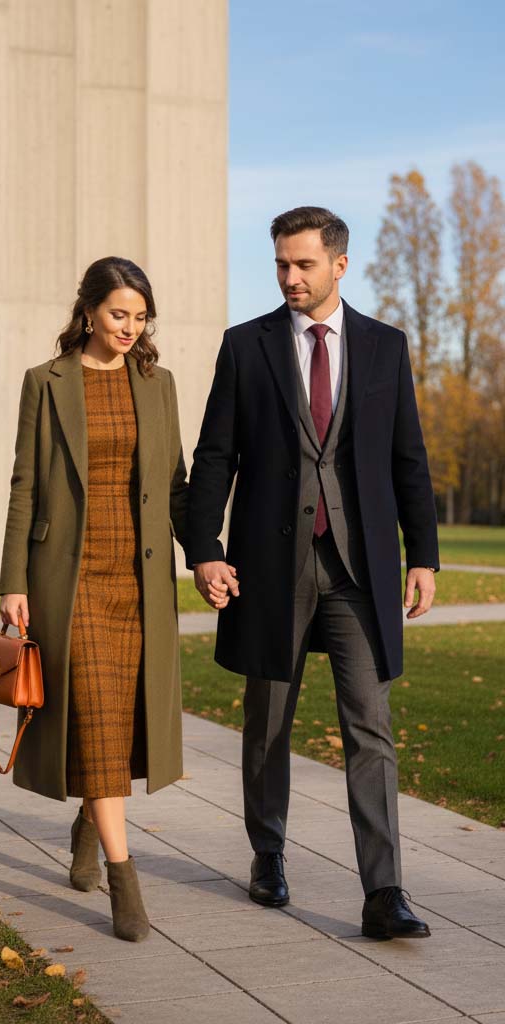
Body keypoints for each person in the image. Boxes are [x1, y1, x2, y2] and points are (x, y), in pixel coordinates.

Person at [187, 207, 439, 940]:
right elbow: (213, 456)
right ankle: (268, 854)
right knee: (267, 722)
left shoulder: (385, 347)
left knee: (371, 724)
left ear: (339, 265)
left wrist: (422, 553)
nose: (289, 277)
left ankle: (384, 892)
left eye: (302, 264)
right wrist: (205, 547)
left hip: (359, 570)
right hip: (268, 566)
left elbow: (408, 458)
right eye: (280, 265)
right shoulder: (245, 346)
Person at [0, 257, 188, 942]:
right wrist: (13, 581)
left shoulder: (157, 383)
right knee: (100, 713)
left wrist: (208, 555)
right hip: (68, 577)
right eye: (118, 315)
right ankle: (124, 879)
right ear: (87, 312)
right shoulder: (45, 383)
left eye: (140, 318)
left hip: (138, 581)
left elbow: (175, 484)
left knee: (114, 722)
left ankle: (87, 819)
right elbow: (25, 485)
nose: (130, 329)